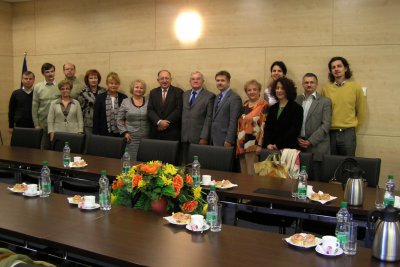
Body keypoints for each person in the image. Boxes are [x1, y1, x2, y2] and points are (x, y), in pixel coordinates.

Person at [322, 56, 366, 156]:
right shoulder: (326, 89)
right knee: (331, 164)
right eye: (333, 67)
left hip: (348, 133)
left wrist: (353, 128)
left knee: (348, 165)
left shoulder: (356, 87)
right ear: (331, 71)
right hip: (330, 134)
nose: (336, 69)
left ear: (345, 68)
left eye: (339, 66)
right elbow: (323, 112)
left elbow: (361, 111)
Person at [295, 73, 332, 179]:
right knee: (300, 179)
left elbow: (326, 125)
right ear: (302, 84)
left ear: (316, 84)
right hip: (299, 145)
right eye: (306, 82)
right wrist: (297, 138)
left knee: (317, 179)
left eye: (312, 82)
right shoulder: (297, 100)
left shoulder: (325, 101)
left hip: (317, 146)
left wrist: (310, 141)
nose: (309, 85)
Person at [181, 71, 215, 160]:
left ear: (202, 81)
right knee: (185, 164)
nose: (195, 81)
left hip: (199, 138)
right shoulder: (185, 94)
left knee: (197, 165)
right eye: (193, 79)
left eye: (198, 79)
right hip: (184, 137)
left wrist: (204, 137)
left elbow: (209, 118)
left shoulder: (210, 96)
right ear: (190, 81)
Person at [236, 79, 268, 175]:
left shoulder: (263, 105)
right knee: (244, 176)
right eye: (249, 90)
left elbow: (263, 126)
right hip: (241, 146)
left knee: (252, 176)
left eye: (255, 89)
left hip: (253, 146)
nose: (252, 92)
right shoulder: (245, 105)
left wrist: (260, 145)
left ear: (259, 91)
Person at [264, 77, 303, 150]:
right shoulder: (272, 108)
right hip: (271, 149)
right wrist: (268, 143)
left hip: (288, 149)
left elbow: (294, 130)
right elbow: (267, 128)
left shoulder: (297, 108)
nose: (279, 90)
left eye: (282, 88)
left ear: (288, 90)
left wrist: (278, 144)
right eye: (277, 88)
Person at [117, 79, 149, 161]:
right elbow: (119, 119)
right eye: (136, 87)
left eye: (141, 88)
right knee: (130, 161)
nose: (139, 89)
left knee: (145, 161)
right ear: (132, 88)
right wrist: (125, 132)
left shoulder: (149, 101)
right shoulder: (125, 102)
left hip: (146, 137)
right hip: (131, 138)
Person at [147, 70, 183, 141]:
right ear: (158, 80)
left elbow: (178, 110)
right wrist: (159, 122)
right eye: (162, 78)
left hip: (172, 131)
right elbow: (150, 110)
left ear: (171, 79)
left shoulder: (178, 92)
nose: (164, 80)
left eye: (167, 78)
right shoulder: (153, 92)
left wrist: (165, 123)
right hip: (156, 131)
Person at [210, 70, 242, 147]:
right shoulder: (217, 97)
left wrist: (229, 140)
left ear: (228, 82)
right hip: (214, 138)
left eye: (222, 80)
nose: (220, 83)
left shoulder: (234, 98)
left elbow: (233, 121)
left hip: (225, 140)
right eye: (217, 80)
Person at [32, 63, 60, 149]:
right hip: (42, 124)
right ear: (43, 73)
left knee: (57, 147)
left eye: (52, 71)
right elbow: (35, 107)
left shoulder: (60, 86)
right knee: (43, 148)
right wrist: (36, 124)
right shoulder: (37, 87)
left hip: (57, 124)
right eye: (47, 72)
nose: (50, 74)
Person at [93, 72, 127, 136]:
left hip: (120, 132)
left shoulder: (124, 98)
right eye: (111, 83)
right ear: (107, 84)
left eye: (116, 83)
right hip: (103, 132)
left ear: (119, 84)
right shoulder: (100, 97)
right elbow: (96, 117)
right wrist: (95, 133)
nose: (113, 85)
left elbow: (126, 117)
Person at [78, 69, 106, 134]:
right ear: (87, 80)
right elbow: (80, 110)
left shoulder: (104, 91)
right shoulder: (83, 92)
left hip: (101, 121)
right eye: (91, 78)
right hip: (88, 123)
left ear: (98, 79)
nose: (93, 80)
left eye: (95, 78)